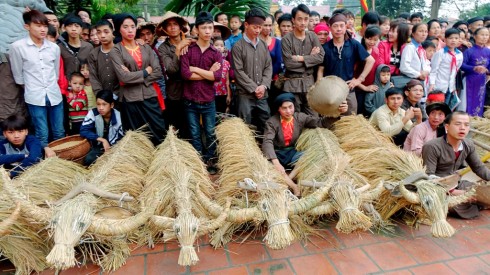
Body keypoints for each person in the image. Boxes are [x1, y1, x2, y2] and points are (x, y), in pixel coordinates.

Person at [262, 93, 348, 195]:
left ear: (294, 106)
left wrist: (337, 113)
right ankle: (294, 186)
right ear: (278, 109)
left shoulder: (300, 117)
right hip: (277, 153)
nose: (288, 111)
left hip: (292, 152)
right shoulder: (272, 122)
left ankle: (288, 178)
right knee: (272, 167)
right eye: (284, 108)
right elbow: (267, 141)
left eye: (290, 107)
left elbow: (320, 123)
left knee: (307, 156)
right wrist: (276, 162)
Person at [9, 10, 63, 158]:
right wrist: (31, 88)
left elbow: (56, 73)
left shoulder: (54, 48)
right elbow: (18, 76)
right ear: (27, 26)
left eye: (45, 25)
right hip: (34, 95)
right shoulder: (18, 47)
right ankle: (41, 163)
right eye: (38, 25)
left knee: (59, 130)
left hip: (54, 93)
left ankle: (62, 160)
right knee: (42, 132)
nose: (43, 29)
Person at [110, 13, 166, 145]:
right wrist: (146, 72)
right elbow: (123, 77)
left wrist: (133, 77)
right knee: (136, 135)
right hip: (130, 99)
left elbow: (158, 72)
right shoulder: (116, 51)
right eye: (125, 27)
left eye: (132, 26)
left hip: (150, 95)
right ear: (119, 29)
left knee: (158, 130)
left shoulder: (146, 47)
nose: (130, 30)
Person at [422, 111, 490, 219]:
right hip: (438, 187)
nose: (462, 128)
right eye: (458, 124)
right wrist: (455, 192)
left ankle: (476, 202)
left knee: (483, 191)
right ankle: (476, 204)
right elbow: (428, 177)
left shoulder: (468, 144)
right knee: (456, 204)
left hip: (457, 182)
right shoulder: (432, 146)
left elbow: (478, 167)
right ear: (447, 127)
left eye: (466, 125)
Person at [180, 11, 223, 173]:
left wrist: (196, 69)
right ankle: (198, 161)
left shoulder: (216, 53)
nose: (207, 31)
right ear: (196, 29)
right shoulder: (187, 50)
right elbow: (185, 74)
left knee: (210, 132)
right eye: (203, 28)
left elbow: (217, 76)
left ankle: (210, 160)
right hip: (190, 99)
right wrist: (208, 74)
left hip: (208, 100)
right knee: (194, 132)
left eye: (210, 28)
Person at [318, 13, 375, 115]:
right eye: (335, 26)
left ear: (346, 26)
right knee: (330, 120)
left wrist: (359, 80)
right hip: (330, 91)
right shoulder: (325, 47)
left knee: (350, 121)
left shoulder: (353, 44)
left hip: (348, 89)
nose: (338, 29)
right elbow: (321, 69)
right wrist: (320, 87)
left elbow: (370, 60)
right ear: (330, 28)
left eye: (341, 26)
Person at [232, 8, 272, 133]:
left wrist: (264, 86)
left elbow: (268, 66)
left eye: (260, 27)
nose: (258, 30)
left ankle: (266, 149)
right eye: (255, 27)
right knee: (245, 124)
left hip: (262, 93)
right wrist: (255, 88)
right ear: (246, 25)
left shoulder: (263, 45)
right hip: (245, 94)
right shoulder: (238, 46)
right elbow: (238, 71)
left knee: (266, 121)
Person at [282, 4, 324, 115]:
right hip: (292, 85)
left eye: (306, 19)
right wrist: (311, 58)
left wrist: (301, 58)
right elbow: (289, 64)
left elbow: (321, 57)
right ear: (293, 20)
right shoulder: (286, 39)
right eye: (299, 19)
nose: (303, 22)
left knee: (313, 117)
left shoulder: (312, 36)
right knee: (293, 118)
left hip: (309, 84)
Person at [157, 11, 192, 137]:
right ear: (165, 29)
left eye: (175, 24)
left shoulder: (191, 42)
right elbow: (171, 69)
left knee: (192, 125)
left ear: (180, 26)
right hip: (175, 91)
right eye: (169, 25)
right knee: (176, 125)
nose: (172, 27)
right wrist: (178, 49)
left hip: (192, 88)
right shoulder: (163, 48)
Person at [80, 90, 124, 165]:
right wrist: (103, 140)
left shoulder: (118, 116)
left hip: (116, 147)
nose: (100, 108)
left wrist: (112, 149)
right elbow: (83, 130)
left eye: (104, 104)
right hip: (99, 147)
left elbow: (122, 136)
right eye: (98, 104)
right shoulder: (93, 113)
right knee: (89, 160)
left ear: (112, 105)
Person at [429, 28, 464, 109]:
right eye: (450, 38)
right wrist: (432, 84)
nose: (453, 40)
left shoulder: (460, 54)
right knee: (437, 107)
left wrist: (453, 86)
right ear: (445, 39)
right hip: (439, 85)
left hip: (450, 86)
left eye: (456, 38)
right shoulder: (440, 53)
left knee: (447, 108)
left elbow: (456, 69)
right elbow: (433, 70)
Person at [461, 27, 490, 117]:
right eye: (482, 35)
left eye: (486, 35)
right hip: (469, 80)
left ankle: (476, 122)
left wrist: (487, 70)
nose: (484, 37)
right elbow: (461, 65)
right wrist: (474, 68)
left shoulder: (488, 51)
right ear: (475, 36)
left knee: (479, 101)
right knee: (467, 103)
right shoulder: (469, 51)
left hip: (481, 81)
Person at [88, 20, 119, 97]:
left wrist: (115, 95)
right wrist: (101, 96)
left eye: (106, 32)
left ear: (112, 32)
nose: (102, 35)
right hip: (102, 99)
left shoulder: (121, 51)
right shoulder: (93, 54)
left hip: (122, 96)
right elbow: (93, 77)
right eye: (99, 32)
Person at [356, 25, 382, 115]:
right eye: (369, 39)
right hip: (358, 88)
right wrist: (364, 88)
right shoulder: (359, 50)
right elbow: (351, 74)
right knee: (359, 113)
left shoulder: (376, 50)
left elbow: (378, 69)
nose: (372, 42)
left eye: (375, 40)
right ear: (364, 37)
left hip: (372, 88)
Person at [58, 15, 94, 79]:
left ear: (81, 29)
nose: (73, 29)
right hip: (66, 84)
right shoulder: (60, 47)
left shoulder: (89, 47)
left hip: (85, 84)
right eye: (70, 26)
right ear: (65, 28)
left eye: (77, 26)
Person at [400, 23, 430, 90]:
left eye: (426, 32)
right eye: (421, 31)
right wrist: (418, 74)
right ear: (413, 33)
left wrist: (426, 71)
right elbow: (404, 67)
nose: (424, 34)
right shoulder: (409, 47)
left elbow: (427, 63)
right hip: (411, 82)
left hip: (420, 82)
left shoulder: (421, 48)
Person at [212, 37, 232, 113]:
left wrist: (229, 95)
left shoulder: (226, 63)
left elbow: (227, 80)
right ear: (212, 47)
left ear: (224, 48)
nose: (219, 47)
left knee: (221, 114)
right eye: (216, 45)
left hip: (223, 93)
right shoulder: (209, 61)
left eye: (221, 45)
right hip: (210, 93)